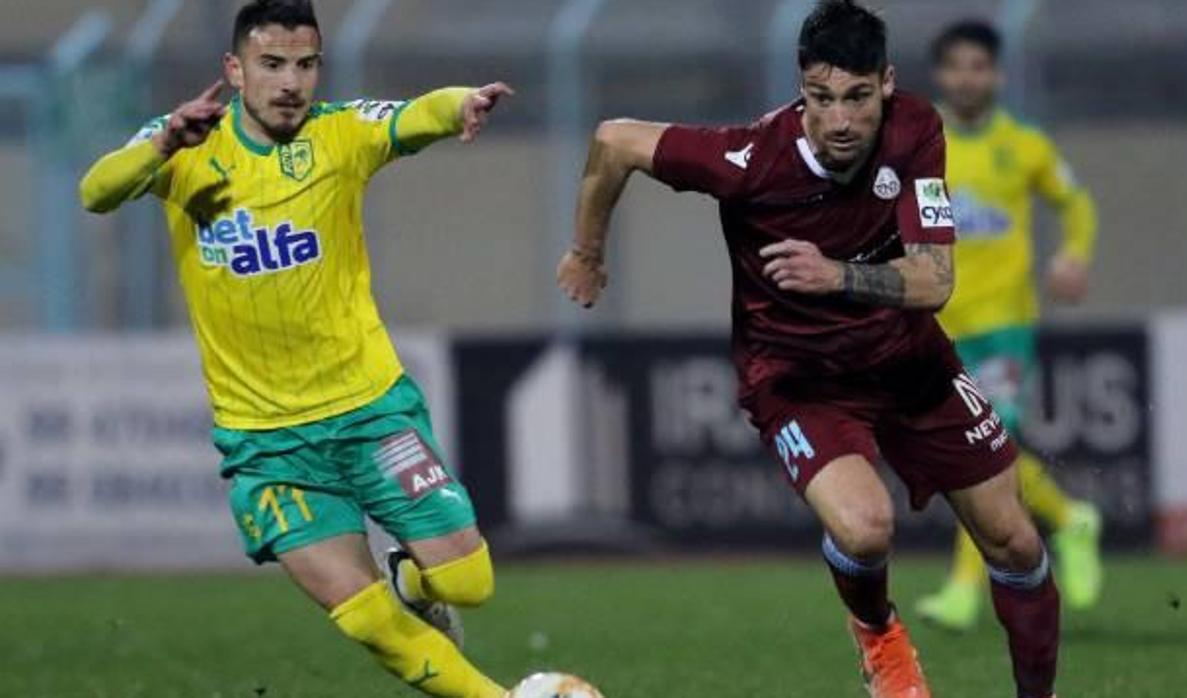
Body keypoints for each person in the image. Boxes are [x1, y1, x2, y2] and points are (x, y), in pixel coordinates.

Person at [556, 1, 1060, 697]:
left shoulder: (915, 130)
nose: (840, 121)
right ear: (803, 91)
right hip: (798, 379)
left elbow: (934, 280)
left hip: (910, 364)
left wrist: (835, 275)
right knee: (863, 528)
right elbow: (613, 141)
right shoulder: (748, 159)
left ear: (885, 84)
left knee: (1015, 541)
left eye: (857, 97)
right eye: (822, 99)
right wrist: (587, 251)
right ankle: (879, 638)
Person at [79, 1, 513, 695]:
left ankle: (411, 575)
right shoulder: (183, 142)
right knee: (367, 622)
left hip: (369, 410)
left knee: (468, 583)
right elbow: (96, 192)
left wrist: (462, 102)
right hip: (265, 442)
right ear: (235, 70)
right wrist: (161, 147)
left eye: (305, 65)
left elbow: (413, 115)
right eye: (271, 65)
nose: (290, 83)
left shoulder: (339, 134)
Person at [915, 19, 1103, 632]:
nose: (967, 78)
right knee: (969, 456)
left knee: (982, 452)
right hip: (937, 325)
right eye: (956, 67)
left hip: (1004, 324)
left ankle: (965, 591)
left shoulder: (1026, 146)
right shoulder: (922, 142)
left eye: (978, 66)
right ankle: (1071, 516)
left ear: (995, 74)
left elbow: (1075, 203)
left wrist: (1074, 252)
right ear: (940, 75)